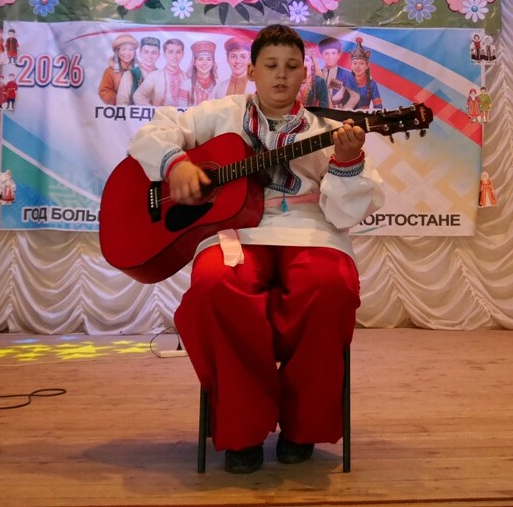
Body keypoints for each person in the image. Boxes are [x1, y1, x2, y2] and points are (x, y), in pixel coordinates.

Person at [128, 24, 384, 474]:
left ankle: (303, 427)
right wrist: (175, 164)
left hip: (310, 229)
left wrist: (347, 161)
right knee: (215, 286)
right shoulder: (219, 114)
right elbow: (153, 131)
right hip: (233, 233)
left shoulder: (329, 129)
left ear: (304, 74)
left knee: (329, 287)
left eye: (291, 66)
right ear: (251, 71)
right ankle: (242, 430)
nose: (281, 75)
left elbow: (344, 213)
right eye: (271, 65)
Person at [133, 38, 189, 108]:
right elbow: (138, 96)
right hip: (161, 114)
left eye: (178, 52)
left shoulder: (187, 77)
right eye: (170, 52)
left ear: (183, 54)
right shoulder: (155, 75)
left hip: (183, 114)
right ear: (164, 54)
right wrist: (153, 111)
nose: (174, 56)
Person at [97, 34, 141, 105]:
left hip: (138, 108)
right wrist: (120, 100)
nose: (127, 53)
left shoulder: (141, 70)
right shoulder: (110, 71)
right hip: (118, 108)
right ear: (117, 52)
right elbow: (104, 91)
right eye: (123, 49)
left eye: (131, 49)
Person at [317, 37, 359, 109]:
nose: (330, 57)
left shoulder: (346, 74)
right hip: (319, 109)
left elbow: (355, 95)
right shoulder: (317, 74)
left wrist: (345, 109)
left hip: (337, 109)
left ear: (338, 55)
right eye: (326, 53)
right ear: (321, 55)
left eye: (333, 53)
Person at [348, 38, 384, 111]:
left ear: (367, 66)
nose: (357, 67)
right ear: (351, 66)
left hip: (364, 115)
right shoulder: (346, 82)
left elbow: (378, 106)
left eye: (361, 63)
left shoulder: (372, 84)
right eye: (354, 63)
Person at [187, 40, 219, 106]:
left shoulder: (219, 84)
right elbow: (180, 110)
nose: (205, 63)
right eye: (200, 59)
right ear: (194, 62)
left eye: (209, 59)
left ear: (213, 62)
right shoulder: (186, 85)